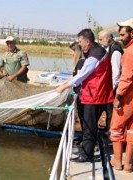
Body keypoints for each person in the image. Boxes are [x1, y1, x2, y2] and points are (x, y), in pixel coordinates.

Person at [56, 29, 114, 162]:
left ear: (88, 42)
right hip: (96, 94)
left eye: (80, 42)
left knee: (89, 125)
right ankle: (87, 151)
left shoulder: (95, 56)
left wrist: (64, 86)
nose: (79, 45)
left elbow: (82, 75)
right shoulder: (97, 51)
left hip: (94, 95)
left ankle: (86, 155)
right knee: (90, 125)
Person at [109, 18, 133, 173]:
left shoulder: (130, 52)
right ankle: (129, 164)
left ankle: (118, 161)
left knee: (116, 128)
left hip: (128, 97)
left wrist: (118, 97)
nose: (121, 38)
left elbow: (126, 78)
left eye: (123, 35)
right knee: (131, 129)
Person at [98, 30, 124, 132]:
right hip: (111, 86)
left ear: (108, 38)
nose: (99, 42)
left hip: (115, 86)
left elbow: (116, 73)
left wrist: (110, 88)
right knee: (108, 110)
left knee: (111, 111)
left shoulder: (116, 52)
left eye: (101, 39)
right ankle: (108, 129)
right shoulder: (110, 48)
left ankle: (110, 132)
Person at [69, 42, 85, 138]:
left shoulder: (80, 62)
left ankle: (86, 138)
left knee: (83, 116)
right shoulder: (79, 62)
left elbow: (79, 79)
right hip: (79, 93)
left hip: (81, 94)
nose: (70, 53)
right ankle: (84, 137)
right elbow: (73, 77)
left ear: (77, 52)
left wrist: (65, 86)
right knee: (81, 116)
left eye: (71, 51)